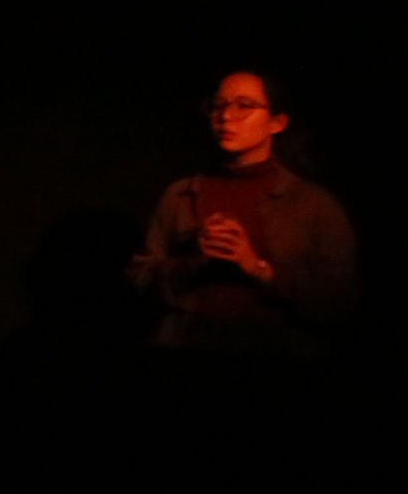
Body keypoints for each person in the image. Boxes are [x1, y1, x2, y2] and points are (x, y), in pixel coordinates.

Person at [126, 69, 359, 357]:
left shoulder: (313, 204)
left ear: (277, 122)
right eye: (218, 106)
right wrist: (196, 262)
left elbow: (339, 303)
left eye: (244, 105)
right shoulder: (181, 195)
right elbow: (139, 278)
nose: (226, 116)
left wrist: (256, 268)